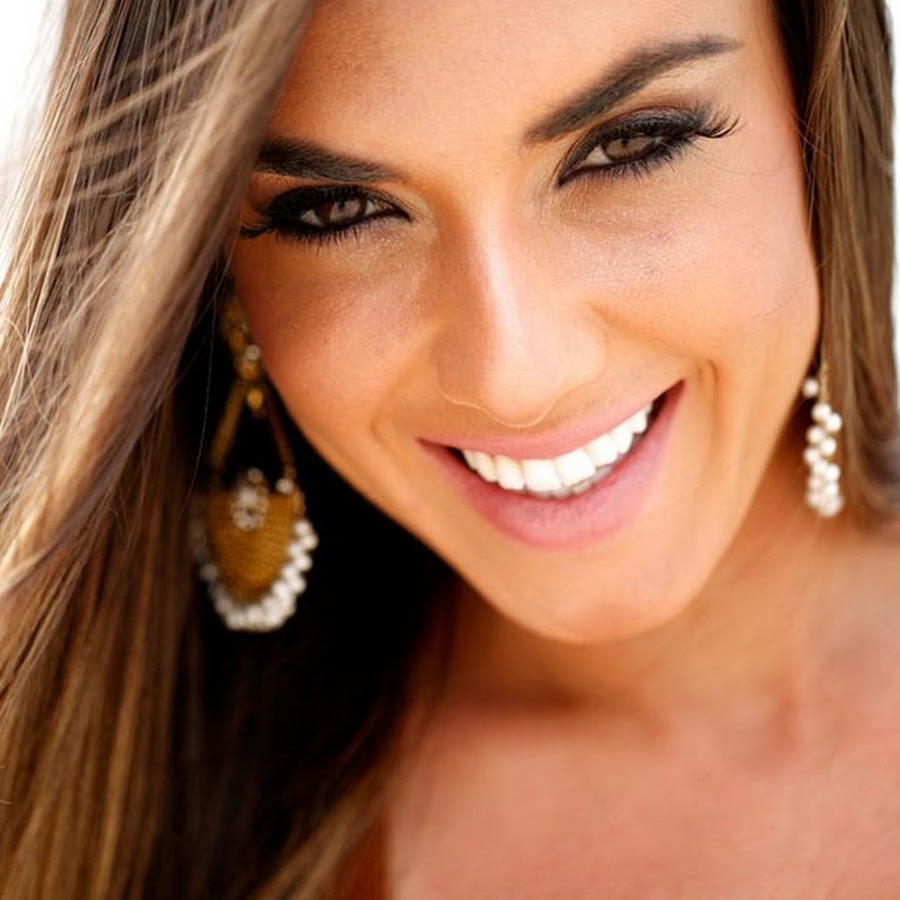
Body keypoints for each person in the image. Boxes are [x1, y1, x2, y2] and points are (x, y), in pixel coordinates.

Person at [1, 0, 898, 896]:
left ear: (819, 110)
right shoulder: (88, 811)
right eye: (340, 210)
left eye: (630, 146)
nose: (516, 378)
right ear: (220, 287)